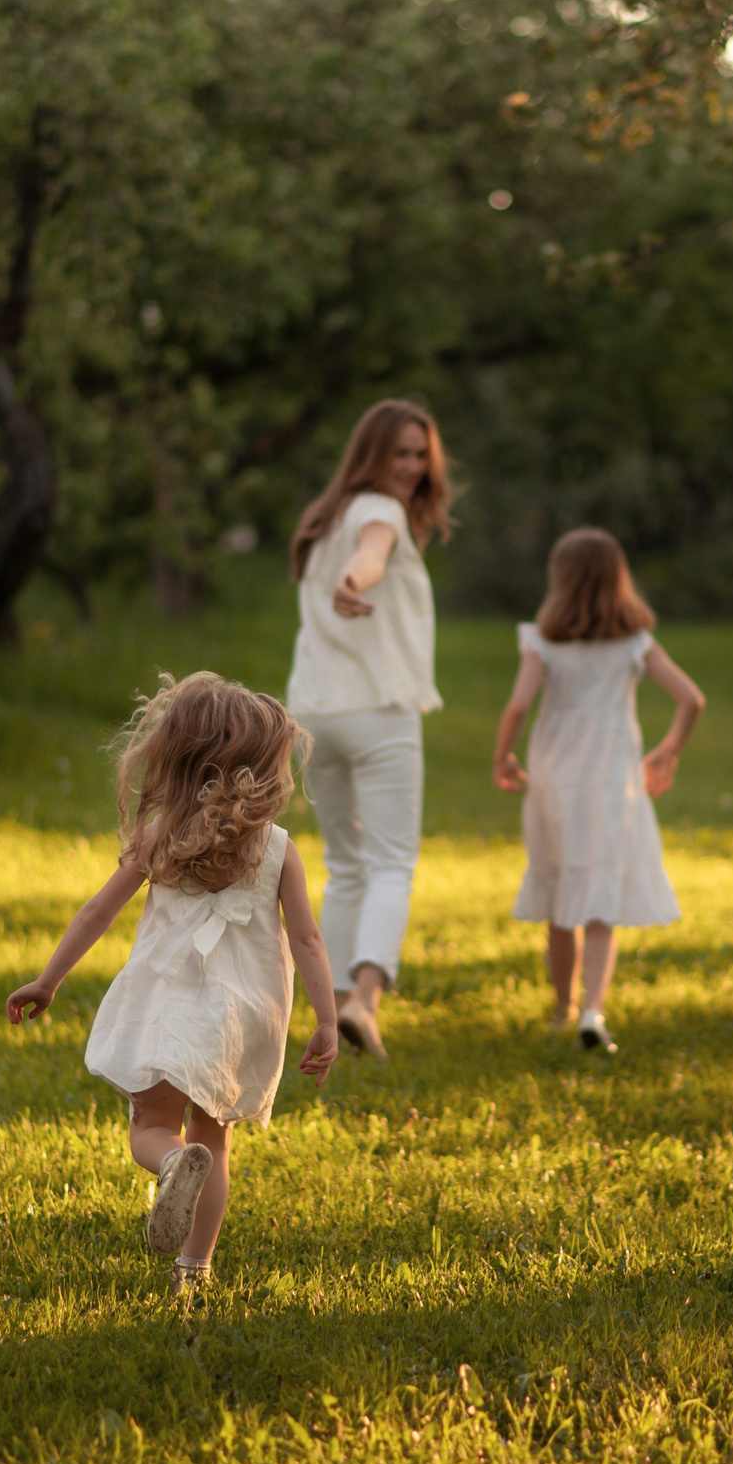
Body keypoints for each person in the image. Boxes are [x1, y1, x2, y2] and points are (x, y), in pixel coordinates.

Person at [4, 673, 338, 1292]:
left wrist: (49, 980)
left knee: (152, 1128)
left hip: (167, 1003)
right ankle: (195, 1268)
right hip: (242, 1014)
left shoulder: (158, 836)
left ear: (178, 760)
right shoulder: (279, 849)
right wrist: (326, 1018)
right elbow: (308, 940)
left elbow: (97, 912)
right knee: (217, 1142)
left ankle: (169, 1160)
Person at [285, 400, 455, 1062]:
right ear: (372, 455)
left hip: (314, 715)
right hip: (378, 710)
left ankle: (328, 1019)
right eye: (401, 454)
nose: (413, 468)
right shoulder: (377, 514)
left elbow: (362, 553)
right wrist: (357, 580)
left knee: (347, 865)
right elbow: (373, 553)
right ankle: (364, 1003)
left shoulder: (322, 520)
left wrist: (349, 578)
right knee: (390, 864)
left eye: (422, 455)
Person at [493, 528, 706, 1055]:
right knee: (600, 902)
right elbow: (691, 700)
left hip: (555, 784)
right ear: (620, 581)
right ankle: (594, 1010)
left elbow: (519, 705)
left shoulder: (542, 642)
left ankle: (562, 1011)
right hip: (613, 785)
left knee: (562, 897)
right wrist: (668, 750)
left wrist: (502, 755)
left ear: (559, 581)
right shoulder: (635, 644)